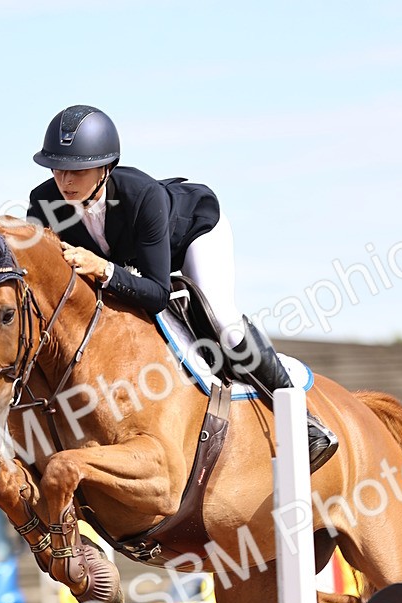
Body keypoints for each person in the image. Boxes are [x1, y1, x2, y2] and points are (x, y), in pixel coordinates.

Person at [27, 104, 338, 472]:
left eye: (77, 170)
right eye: (57, 168)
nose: (65, 180)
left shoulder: (143, 195)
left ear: (105, 168)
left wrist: (105, 269)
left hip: (192, 236)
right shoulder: (42, 203)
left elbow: (157, 293)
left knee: (223, 321)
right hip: (131, 261)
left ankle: (304, 420)